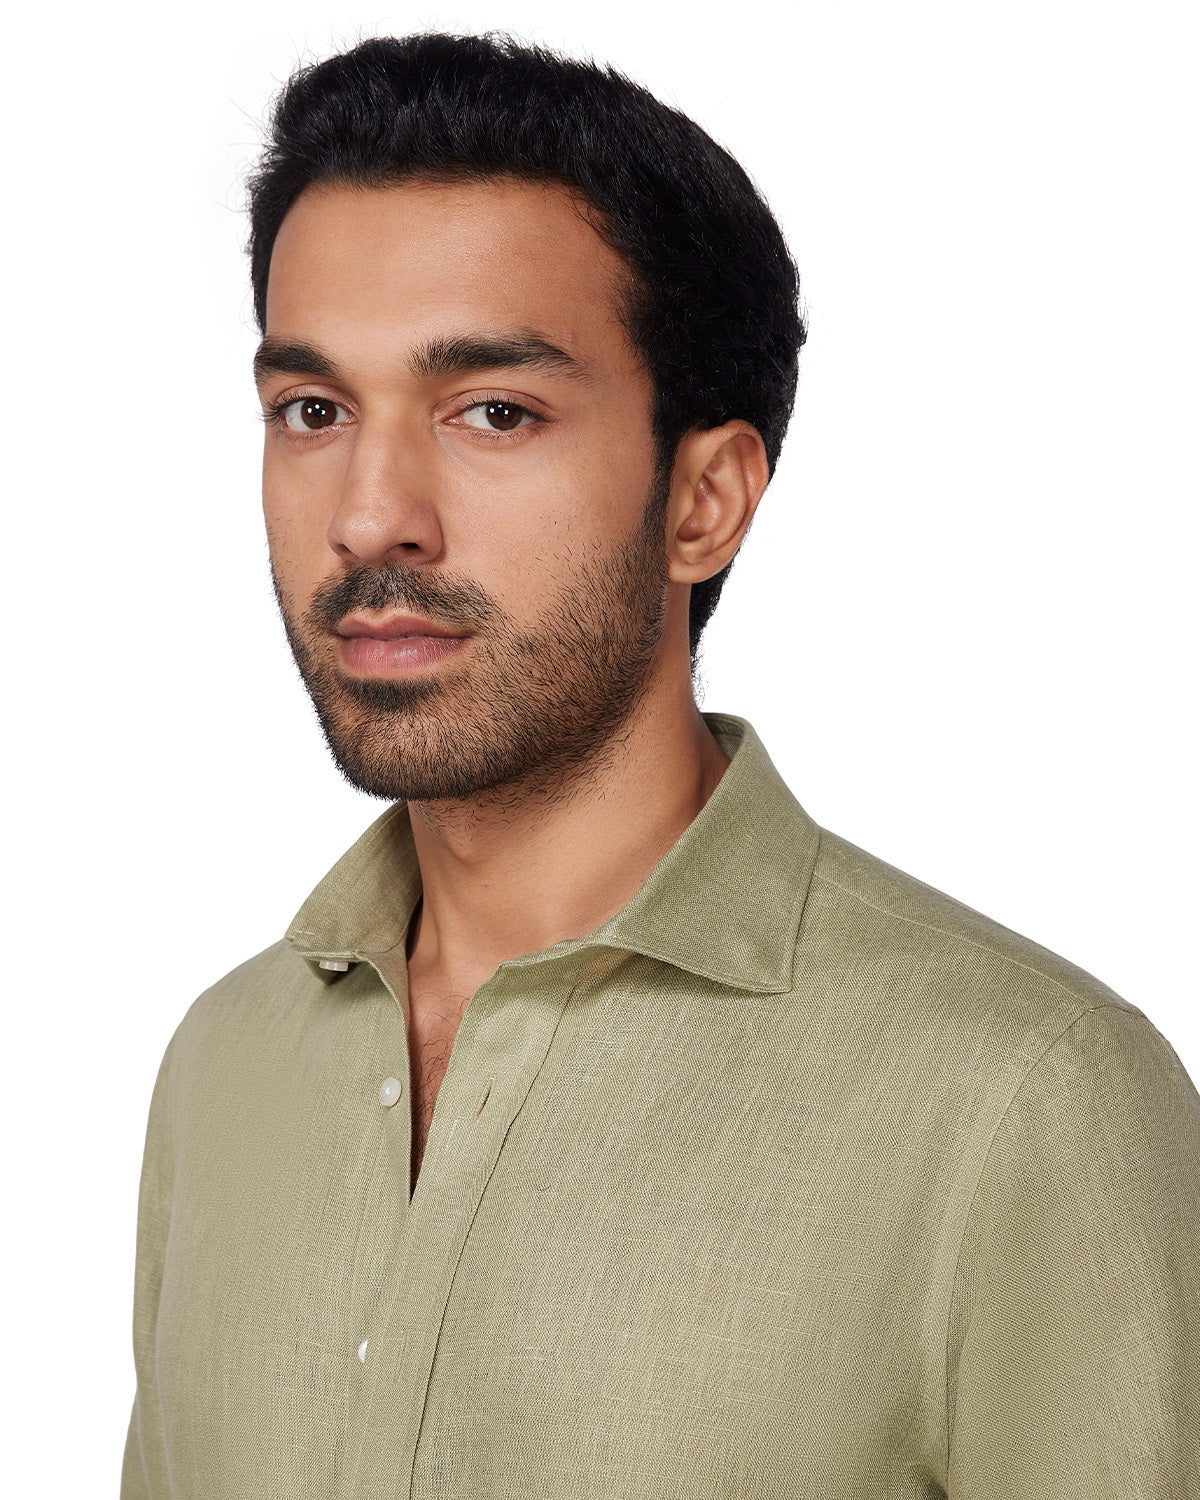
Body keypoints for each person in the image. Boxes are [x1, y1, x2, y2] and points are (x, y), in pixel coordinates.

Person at [122, 32, 1199, 1500]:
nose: (370, 517)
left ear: (704, 501)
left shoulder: (1024, 1103)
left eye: (493, 412)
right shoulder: (224, 1070)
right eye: (313, 411)